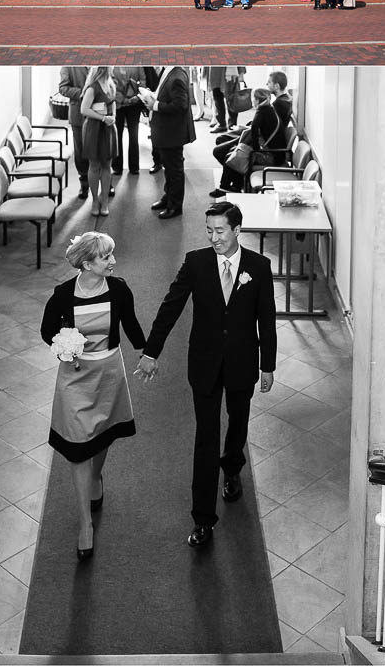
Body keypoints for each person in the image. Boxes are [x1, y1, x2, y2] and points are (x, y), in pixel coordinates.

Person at [134, 201, 278, 550]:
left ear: (237, 231)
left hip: (244, 362)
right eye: (209, 230)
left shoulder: (259, 267)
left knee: (238, 421)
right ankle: (202, 518)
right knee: (205, 437)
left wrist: (268, 365)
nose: (213, 237)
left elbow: (267, 319)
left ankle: (232, 466)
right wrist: (151, 351)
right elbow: (171, 305)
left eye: (220, 231)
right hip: (205, 363)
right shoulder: (196, 263)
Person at [42, 231, 144, 560]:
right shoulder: (62, 295)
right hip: (75, 378)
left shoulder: (118, 289)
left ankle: (97, 476)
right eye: (105, 257)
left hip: (109, 372)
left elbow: (130, 323)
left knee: (101, 436)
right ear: (87, 264)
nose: (113, 261)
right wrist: (63, 347)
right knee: (77, 448)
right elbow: (47, 331)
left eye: (111, 255)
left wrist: (147, 352)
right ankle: (85, 523)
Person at [213, 88, 294, 193]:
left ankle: (226, 187)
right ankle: (233, 186)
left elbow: (254, 130)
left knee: (236, 156)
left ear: (256, 100)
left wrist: (255, 150)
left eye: (252, 98)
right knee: (235, 153)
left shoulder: (261, 111)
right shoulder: (269, 108)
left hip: (272, 156)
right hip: (276, 154)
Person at [142, 65, 193, 219]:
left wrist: (155, 105)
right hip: (167, 131)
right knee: (169, 169)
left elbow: (180, 105)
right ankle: (168, 197)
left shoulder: (176, 76)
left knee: (174, 171)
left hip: (172, 132)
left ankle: (175, 206)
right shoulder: (170, 71)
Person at [77, 67, 116, 216]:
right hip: (94, 129)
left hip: (108, 128)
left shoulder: (111, 84)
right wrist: (103, 118)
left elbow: (112, 104)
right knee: (94, 165)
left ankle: (104, 200)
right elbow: (83, 109)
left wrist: (113, 118)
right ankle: (94, 200)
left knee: (107, 165)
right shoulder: (92, 87)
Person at [58, 65, 92, 194]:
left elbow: (111, 79)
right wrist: (84, 93)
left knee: (101, 147)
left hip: (100, 111)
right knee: (80, 148)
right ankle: (84, 182)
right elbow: (63, 88)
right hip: (78, 113)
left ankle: (106, 182)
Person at [110, 65, 149, 174]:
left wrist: (137, 97)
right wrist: (122, 99)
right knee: (117, 136)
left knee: (134, 136)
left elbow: (142, 81)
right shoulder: (112, 65)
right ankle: (117, 166)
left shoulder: (137, 62)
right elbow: (110, 84)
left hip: (134, 104)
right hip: (118, 105)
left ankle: (134, 167)